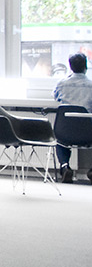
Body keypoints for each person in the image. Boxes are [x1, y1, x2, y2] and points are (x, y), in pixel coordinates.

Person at [54, 52, 92, 182]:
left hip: (66, 130)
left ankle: (65, 167)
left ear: (70, 67)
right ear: (85, 67)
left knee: (60, 141)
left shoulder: (61, 84)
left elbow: (56, 98)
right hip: (88, 132)